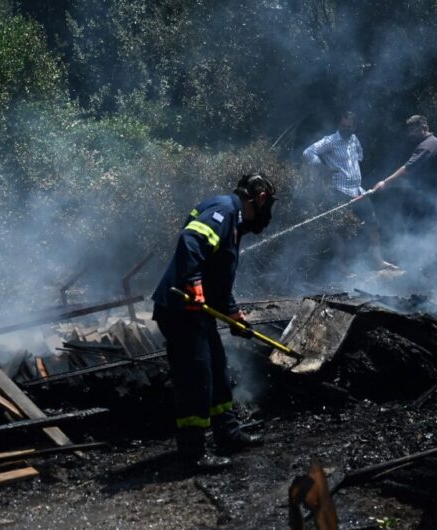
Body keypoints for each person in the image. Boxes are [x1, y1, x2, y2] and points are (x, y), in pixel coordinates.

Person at [151, 173, 276, 471]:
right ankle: (192, 452)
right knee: (196, 378)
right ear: (260, 198)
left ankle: (228, 433)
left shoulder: (233, 223)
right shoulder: (225, 210)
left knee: (218, 370)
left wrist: (232, 314)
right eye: (268, 204)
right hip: (180, 310)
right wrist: (193, 285)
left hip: (197, 312)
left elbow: (218, 280)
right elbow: (190, 240)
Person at [303, 111, 394, 270]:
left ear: (354, 127)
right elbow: (308, 152)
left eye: (349, 126)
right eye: (343, 126)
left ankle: (378, 260)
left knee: (372, 222)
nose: (345, 129)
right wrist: (322, 167)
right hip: (339, 190)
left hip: (358, 190)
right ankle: (339, 264)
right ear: (339, 124)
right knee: (338, 228)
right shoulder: (331, 140)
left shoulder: (354, 139)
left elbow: (359, 156)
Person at [372, 115, 437, 281]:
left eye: (414, 130)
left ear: (425, 128)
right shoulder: (427, 145)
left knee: (435, 239)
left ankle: (436, 279)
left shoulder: (429, 145)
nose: (411, 134)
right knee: (420, 234)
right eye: (409, 131)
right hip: (429, 202)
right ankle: (422, 275)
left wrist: (384, 183)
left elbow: (407, 169)